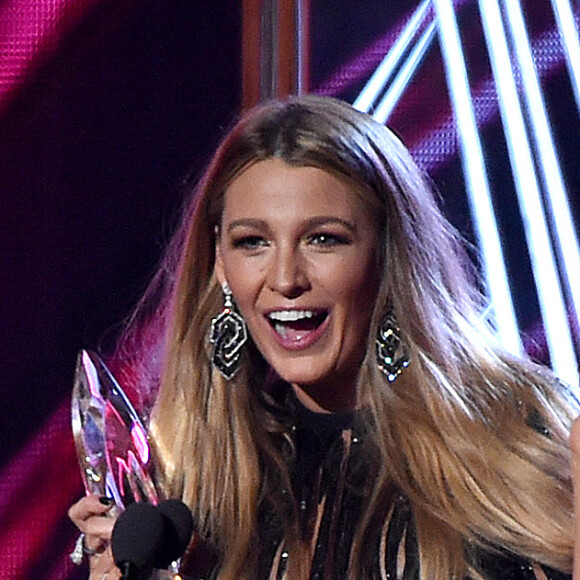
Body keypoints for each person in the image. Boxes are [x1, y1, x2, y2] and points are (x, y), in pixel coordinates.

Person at [69, 95, 580, 580]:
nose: (286, 277)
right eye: (253, 242)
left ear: (389, 255)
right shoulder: (188, 478)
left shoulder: (517, 441)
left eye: (323, 239)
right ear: (220, 264)